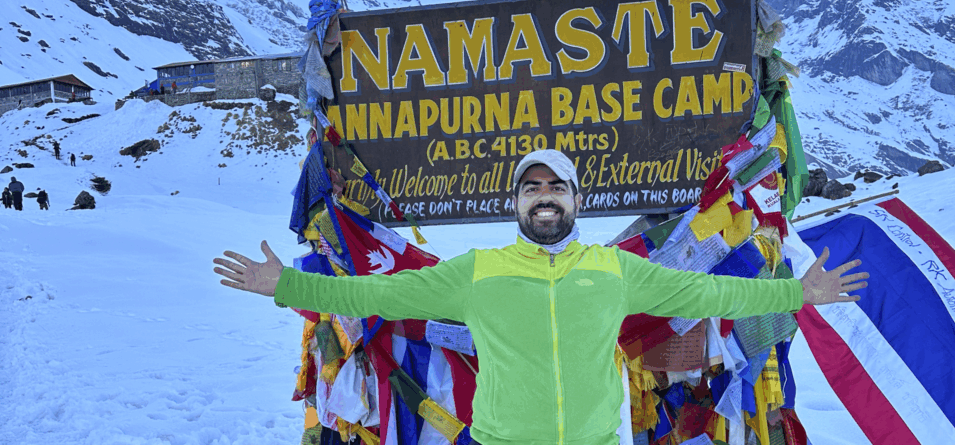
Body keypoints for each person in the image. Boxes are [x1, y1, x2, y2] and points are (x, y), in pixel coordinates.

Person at [214, 149, 868, 445]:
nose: (546, 194)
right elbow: (380, 291)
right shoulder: (479, 271)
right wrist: (288, 285)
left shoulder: (614, 270)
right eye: (533, 187)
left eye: (557, 185)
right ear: (519, 203)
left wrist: (798, 291)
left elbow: (708, 289)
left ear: (576, 200)